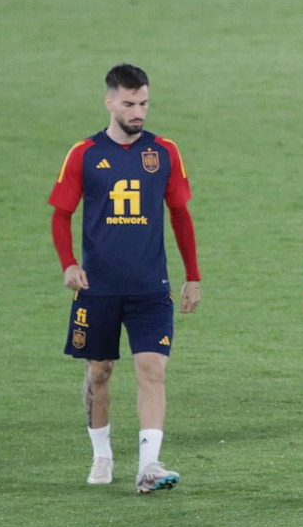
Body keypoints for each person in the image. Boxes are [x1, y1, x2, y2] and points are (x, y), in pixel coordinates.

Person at [49, 64, 200, 494]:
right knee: (100, 371)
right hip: (97, 287)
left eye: (144, 103)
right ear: (110, 102)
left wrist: (192, 276)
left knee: (152, 370)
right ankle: (102, 455)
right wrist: (68, 263)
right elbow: (61, 214)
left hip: (151, 286)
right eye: (130, 104)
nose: (139, 112)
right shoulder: (84, 153)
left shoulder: (165, 151)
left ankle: (149, 466)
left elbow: (181, 215)